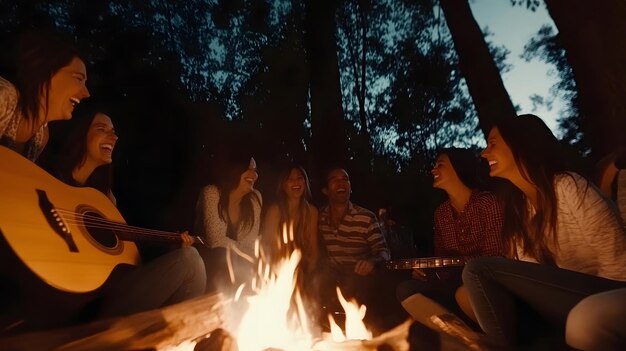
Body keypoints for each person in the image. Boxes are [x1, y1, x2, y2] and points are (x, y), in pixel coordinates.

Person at [32, 104, 205, 328]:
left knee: (190, 260)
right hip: (74, 302)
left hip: (108, 297)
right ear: (80, 134)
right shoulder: (47, 179)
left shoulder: (105, 200)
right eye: (101, 128)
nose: (113, 136)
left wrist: (171, 248)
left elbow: (122, 260)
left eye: (113, 131)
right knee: (191, 261)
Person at [462, 114, 626, 348]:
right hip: (569, 300)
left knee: (478, 271)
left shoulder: (569, 187)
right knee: (469, 293)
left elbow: (619, 266)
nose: (484, 153)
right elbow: (531, 275)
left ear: (521, 142)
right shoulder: (520, 211)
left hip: (613, 290)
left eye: (493, 144)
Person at [396, 148, 504, 332]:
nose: (433, 170)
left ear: (458, 168)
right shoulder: (442, 213)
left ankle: (479, 331)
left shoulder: (487, 203)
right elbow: (442, 261)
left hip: (485, 283)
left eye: (440, 165)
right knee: (407, 290)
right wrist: (428, 271)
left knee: (465, 292)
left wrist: (462, 264)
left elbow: (495, 257)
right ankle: (457, 332)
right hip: (453, 282)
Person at [317, 166, 394, 330]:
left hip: (358, 276)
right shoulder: (318, 217)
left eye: (345, 179)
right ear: (325, 190)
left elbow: (384, 252)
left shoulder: (365, 217)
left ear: (350, 187)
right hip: (331, 276)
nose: (341, 183)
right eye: (334, 179)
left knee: (365, 284)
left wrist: (371, 262)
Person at [0, 31, 90, 161]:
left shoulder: (40, 136)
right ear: (44, 73)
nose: (86, 93)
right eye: (78, 79)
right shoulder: (5, 96)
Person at [193, 149, 262, 293]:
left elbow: (250, 248)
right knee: (222, 256)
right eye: (248, 169)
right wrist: (243, 253)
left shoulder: (255, 199)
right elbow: (215, 241)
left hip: (238, 266)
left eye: (255, 170)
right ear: (234, 170)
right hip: (204, 263)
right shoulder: (212, 193)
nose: (254, 175)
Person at [261, 165, 319, 274]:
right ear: (283, 185)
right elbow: (269, 247)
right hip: (275, 268)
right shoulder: (275, 211)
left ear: (305, 182)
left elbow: (313, 249)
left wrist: (310, 272)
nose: (296, 182)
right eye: (290, 179)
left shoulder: (311, 212)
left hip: (303, 269)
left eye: (299, 178)